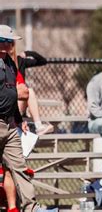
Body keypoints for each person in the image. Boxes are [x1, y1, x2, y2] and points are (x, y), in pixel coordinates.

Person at [0, 25, 41, 212]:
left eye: (10, 42)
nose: (8, 45)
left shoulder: (9, 63)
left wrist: (18, 118)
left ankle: (31, 208)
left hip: (9, 124)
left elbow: (14, 94)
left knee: (20, 168)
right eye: (4, 41)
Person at [10, 42, 53, 135]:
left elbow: (43, 61)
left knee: (30, 91)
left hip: (20, 103)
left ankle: (38, 126)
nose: (7, 46)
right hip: (9, 103)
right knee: (28, 91)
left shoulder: (20, 61)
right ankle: (36, 126)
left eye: (10, 44)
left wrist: (28, 53)